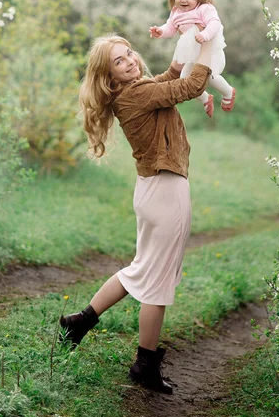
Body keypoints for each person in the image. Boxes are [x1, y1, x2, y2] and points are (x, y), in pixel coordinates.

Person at [60, 34, 213, 394]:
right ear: (110, 78)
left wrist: (179, 58)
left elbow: (167, 80)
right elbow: (189, 86)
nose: (130, 60)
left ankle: (80, 321)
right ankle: (144, 365)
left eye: (129, 53)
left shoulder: (133, 92)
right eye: (119, 61)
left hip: (152, 191)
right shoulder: (137, 95)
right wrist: (208, 43)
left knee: (142, 269)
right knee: (156, 286)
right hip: (166, 190)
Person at [149, 0, 235, 116]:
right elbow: (170, 27)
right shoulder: (176, 12)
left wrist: (205, 34)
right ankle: (205, 98)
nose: (183, 0)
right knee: (185, 79)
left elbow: (215, 22)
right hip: (192, 55)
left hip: (211, 53)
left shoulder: (204, 9)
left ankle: (228, 92)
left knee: (210, 76)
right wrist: (160, 32)